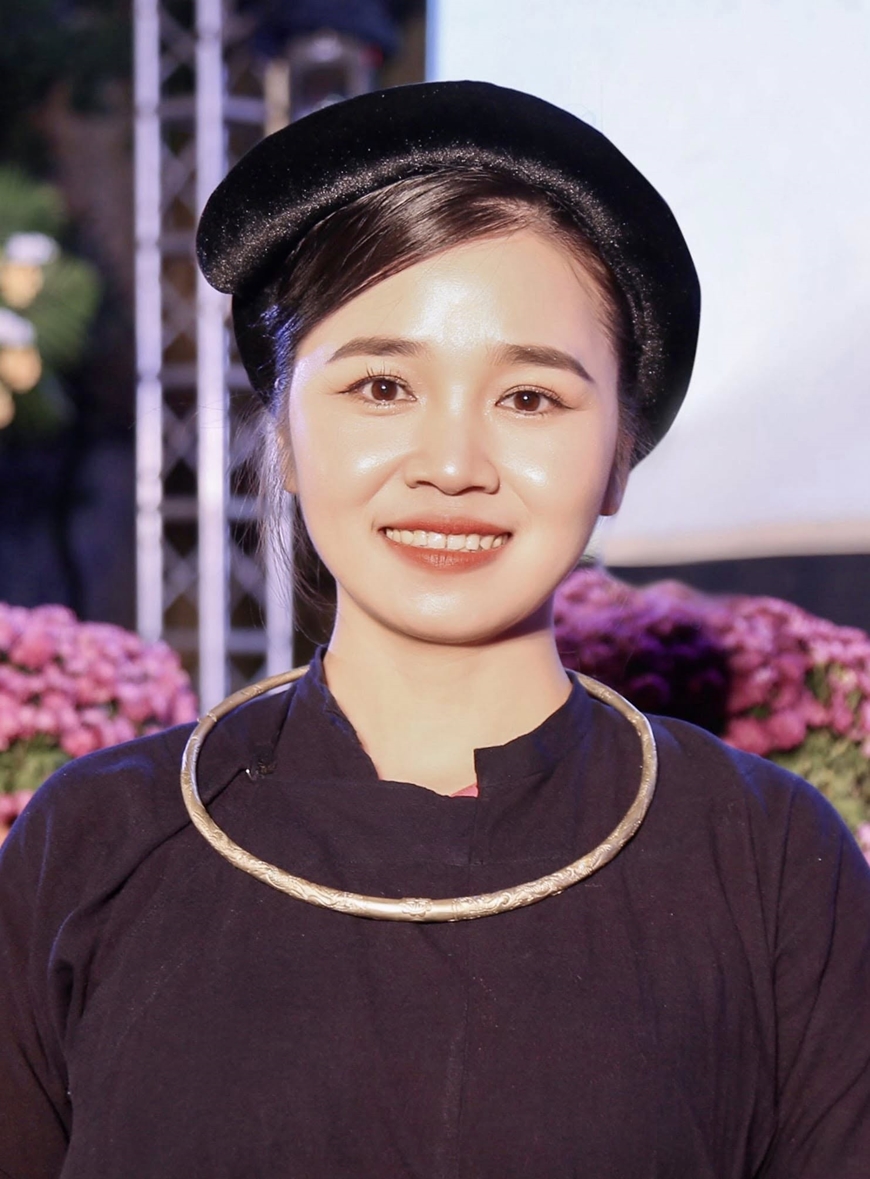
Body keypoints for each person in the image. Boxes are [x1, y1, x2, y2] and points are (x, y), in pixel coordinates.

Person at [1, 80, 868, 1177]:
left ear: (619, 456)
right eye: (381, 387)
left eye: (530, 399)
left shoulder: (767, 859)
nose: (452, 466)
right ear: (283, 433)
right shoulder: (96, 842)